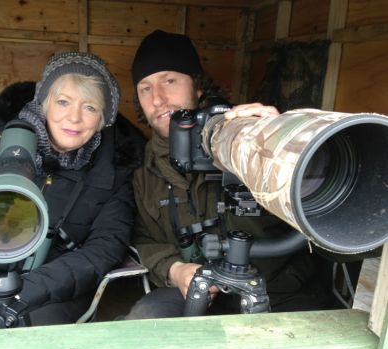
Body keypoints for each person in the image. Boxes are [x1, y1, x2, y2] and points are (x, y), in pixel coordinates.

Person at [0, 51, 145, 331]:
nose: (74, 118)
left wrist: (23, 295)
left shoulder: (117, 163)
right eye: (63, 102)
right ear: (44, 102)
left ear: (103, 118)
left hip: (52, 291)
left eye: (90, 107)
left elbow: (105, 246)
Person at [124, 30, 327, 319]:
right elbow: (143, 239)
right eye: (145, 88)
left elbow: (323, 198)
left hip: (277, 290)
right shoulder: (143, 172)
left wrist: (280, 141)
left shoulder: (247, 139)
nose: (158, 98)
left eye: (169, 80)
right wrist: (175, 269)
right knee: (145, 322)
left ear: (197, 87)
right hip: (190, 292)